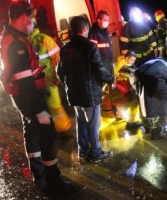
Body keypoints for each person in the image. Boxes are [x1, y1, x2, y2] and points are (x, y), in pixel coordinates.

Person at [0, 1, 73, 194]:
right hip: (30, 98)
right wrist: (39, 109)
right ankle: (53, 182)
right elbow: (25, 82)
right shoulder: (16, 42)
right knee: (48, 137)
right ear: (24, 16)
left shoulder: (15, 37)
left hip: (26, 97)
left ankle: (40, 177)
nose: (32, 21)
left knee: (32, 133)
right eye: (30, 17)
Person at [57, 16, 114, 163]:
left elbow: (60, 71)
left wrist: (68, 85)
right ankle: (95, 153)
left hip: (74, 94)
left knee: (81, 122)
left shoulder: (65, 49)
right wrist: (110, 78)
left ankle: (83, 151)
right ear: (85, 28)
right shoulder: (89, 47)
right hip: (90, 95)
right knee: (93, 124)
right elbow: (99, 70)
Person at [28, 17, 72, 134]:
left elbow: (58, 57)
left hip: (48, 79)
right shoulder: (25, 42)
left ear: (34, 25)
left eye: (29, 23)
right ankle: (49, 131)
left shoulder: (43, 39)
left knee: (55, 105)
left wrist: (57, 76)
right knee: (42, 108)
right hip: (34, 82)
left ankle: (63, 129)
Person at [135, 58, 167, 139]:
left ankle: (148, 128)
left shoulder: (152, 61)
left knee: (145, 103)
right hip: (155, 76)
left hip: (138, 77)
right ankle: (158, 133)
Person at [88, 10, 113, 75]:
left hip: (108, 64)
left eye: (107, 20)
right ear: (98, 20)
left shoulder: (106, 32)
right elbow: (93, 52)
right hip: (101, 66)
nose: (107, 22)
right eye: (105, 20)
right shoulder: (93, 33)